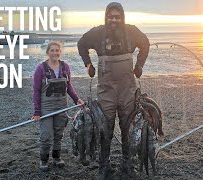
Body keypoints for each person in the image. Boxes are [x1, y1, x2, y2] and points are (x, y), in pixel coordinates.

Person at [77, 2, 150, 179]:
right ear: (106, 17)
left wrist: (139, 65)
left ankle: (127, 164)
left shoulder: (132, 31)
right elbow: (81, 44)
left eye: (118, 17)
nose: (114, 20)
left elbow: (145, 44)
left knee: (128, 127)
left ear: (122, 17)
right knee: (105, 128)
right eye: (111, 16)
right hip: (106, 90)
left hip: (127, 89)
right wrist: (88, 64)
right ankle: (104, 166)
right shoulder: (97, 33)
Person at [33, 41, 85, 172]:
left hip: (62, 106)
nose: (55, 53)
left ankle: (56, 158)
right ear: (48, 52)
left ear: (60, 52)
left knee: (58, 134)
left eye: (57, 50)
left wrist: (76, 99)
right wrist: (37, 112)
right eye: (52, 50)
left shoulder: (65, 67)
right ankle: (44, 160)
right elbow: (36, 91)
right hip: (47, 108)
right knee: (46, 135)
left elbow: (69, 86)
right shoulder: (40, 69)